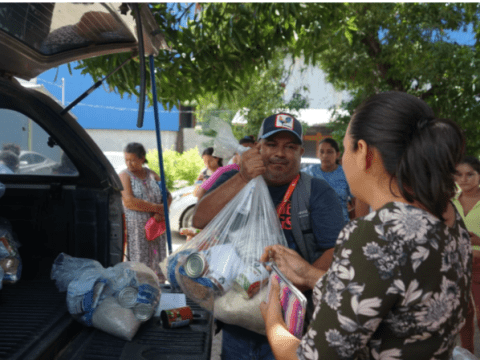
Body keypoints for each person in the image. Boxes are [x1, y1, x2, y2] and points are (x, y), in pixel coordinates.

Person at [259, 91, 471, 360]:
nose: (343, 160)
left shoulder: (376, 233)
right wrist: (309, 274)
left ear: (363, 152)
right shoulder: (447, 213)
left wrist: (274, 324)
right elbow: (395, 297)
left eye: (346, 149)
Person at [193, 113, 346, 360]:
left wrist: (295, 288)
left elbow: (335, 250)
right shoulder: (232, 178)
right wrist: (243, 177)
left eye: (290, 147)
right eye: (272, 144)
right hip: (237, 320)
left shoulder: (317, 192)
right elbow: (199, 220)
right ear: (257, 147)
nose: (280, 153)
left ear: (300, 152)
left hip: (290, 325)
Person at [119, 142, 172, 282]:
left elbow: (167, 195)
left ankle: (157, 283)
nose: (129, 163)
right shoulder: (125, 175)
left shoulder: (152, 174)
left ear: (142, 158)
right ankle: (139, 285)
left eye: (133, 160)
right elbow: (129, 201)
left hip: (156, 226)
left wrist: (162, 211)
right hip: (137, 228)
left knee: (156, 255)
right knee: (139, 257)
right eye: (126, 160)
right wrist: (157, 208)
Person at [303, 137, 365, 222]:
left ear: (338, 154)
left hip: (341, 225)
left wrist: (353, 225)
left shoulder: (346, 174)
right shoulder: (308, 172)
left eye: (330, 152)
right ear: (317, 154)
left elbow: (356, 204)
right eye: (321, 152)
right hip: (315, 225)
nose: (325, 156)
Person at [455, 156, 480, 354]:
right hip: (456, 265)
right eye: (459, 174)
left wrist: (477, 241)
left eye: (470, 174)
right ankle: (469, 354)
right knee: (463, 314)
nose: (464, 179)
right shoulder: (449, 202)